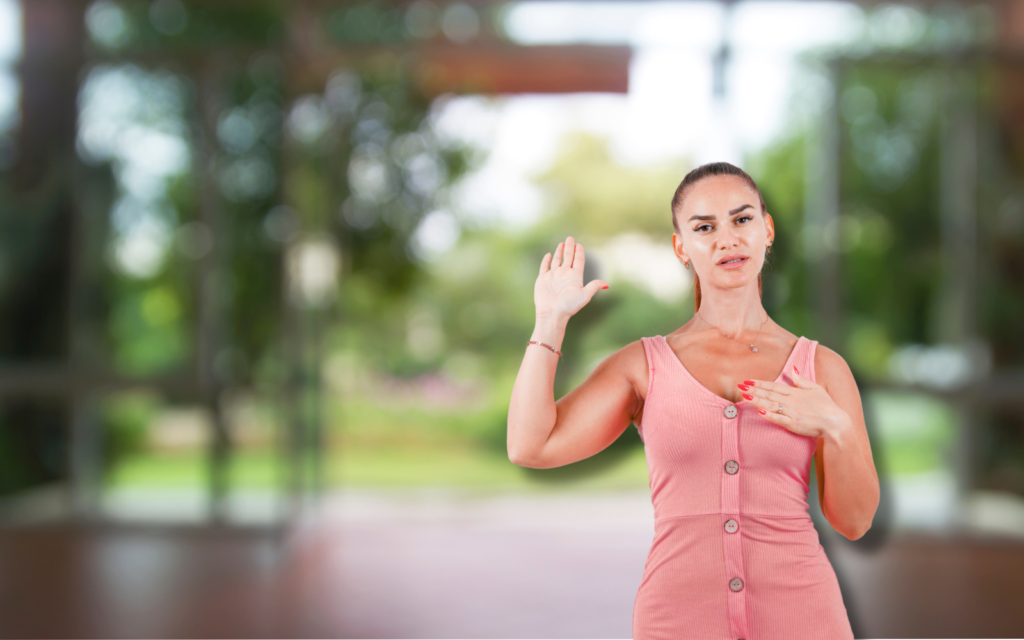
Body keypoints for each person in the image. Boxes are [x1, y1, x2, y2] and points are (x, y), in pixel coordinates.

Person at [507, 161, 880, 640]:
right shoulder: (643, 366)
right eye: (705, 227)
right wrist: (549, 322)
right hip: (677, 618)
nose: (727, 239)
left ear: (766, 231)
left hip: (803, 614)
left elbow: (854, 522)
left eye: (742, 220)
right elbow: (531, 446)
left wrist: (837, 426)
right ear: (681, 247)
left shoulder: (822, 368)